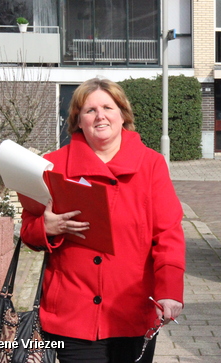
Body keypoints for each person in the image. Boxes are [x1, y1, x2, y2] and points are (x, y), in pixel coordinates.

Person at [20, 78, 185, 363]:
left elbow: (168, 233)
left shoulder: (151, 164)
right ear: (78, 120)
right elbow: (28, 231)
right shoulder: (51, 166)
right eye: (90, 110)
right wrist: (46, 228)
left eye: (108, 107)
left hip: (132, 311)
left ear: (123, 114)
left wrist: (169, 292)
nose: (100, 116)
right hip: (72, 314)